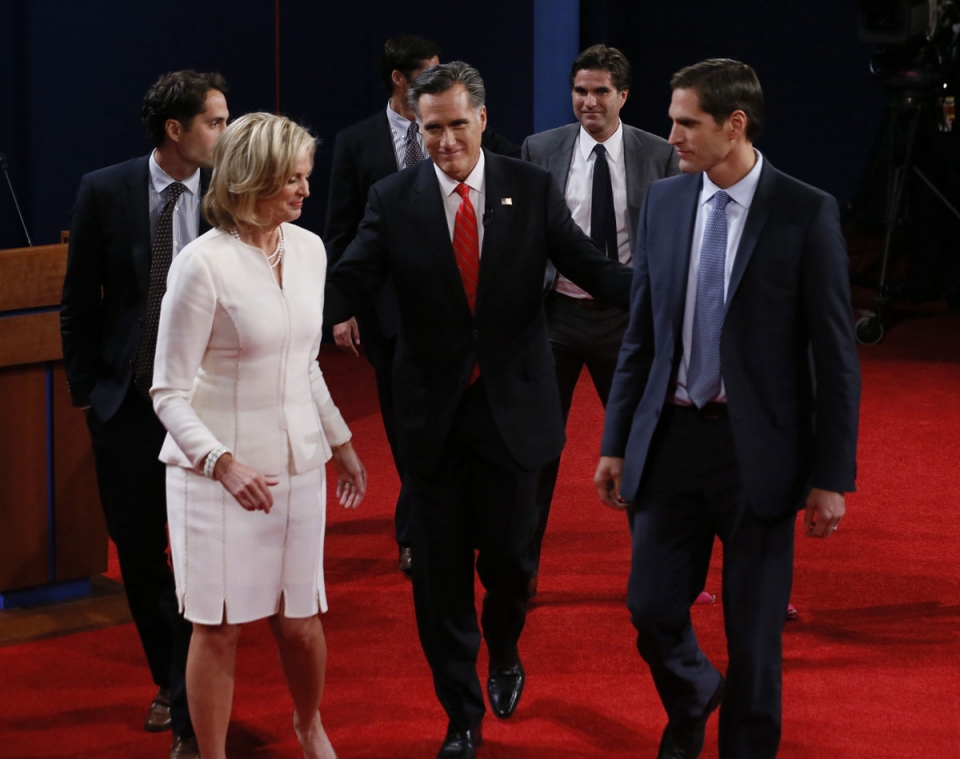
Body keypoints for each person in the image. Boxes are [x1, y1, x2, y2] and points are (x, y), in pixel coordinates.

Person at [325, 61, 631, 759]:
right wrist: (299, 306)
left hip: (514, 412)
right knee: (437, 574)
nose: (446, 140)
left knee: (510, 562)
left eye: (458, 124)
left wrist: (673, 291)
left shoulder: (531, 187)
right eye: (432, 127)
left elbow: (594, 269)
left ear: (483, 120)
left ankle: (506, 646)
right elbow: (350, 275)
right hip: (431, 418)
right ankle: (461, 711)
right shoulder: (392, 197)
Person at [593, 59, 860, 759]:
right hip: (671, 439)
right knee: (650, 607)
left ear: (734, 125)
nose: (672, 135)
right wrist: (615, 439)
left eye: (687, 122)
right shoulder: (666, 202)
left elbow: (835, 356)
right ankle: (692, 692)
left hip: (759, 455)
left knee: (754, 633)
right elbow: (642, 336)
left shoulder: (805, 210)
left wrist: (832, 474)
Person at [150, 112, 367, 759]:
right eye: (290, 180)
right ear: (249, 180)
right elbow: (167, 391)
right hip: (215, 481)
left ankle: (310, 725)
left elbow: (303, 363)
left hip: (298, 470)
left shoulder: (309, 250)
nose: (305, 191)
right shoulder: (202, 265)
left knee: (301, 622)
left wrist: (342, 443)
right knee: (217, 630)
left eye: (306, 176)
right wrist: (222, 462)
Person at [60, 69, 229, 759]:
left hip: (206, 402)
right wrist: (89, 395)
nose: (225, 131)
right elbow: (80, 301)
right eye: (215, 121)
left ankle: (189, 709)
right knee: (139, 551)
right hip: (126, 402)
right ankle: (170, 674)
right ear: (176, 129)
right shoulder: (106, 189)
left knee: (196, 558)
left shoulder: (227, 189)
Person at [325, 34, 519, 578]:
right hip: (387, 316)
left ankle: (462, 525)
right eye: (429, 74)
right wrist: (339, 309)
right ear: (400, 79)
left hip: (464, 312)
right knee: (406, 428)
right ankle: (416, 534)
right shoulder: (357, 142)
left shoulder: (473, 140)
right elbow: (340, 235)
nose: (445, 135)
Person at [521, 44, 679, 596]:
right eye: (580, 91)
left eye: (600, 92)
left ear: (624, 96)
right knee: (537, 449)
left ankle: (657, 571)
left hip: (628, 322)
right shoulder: (539, 149)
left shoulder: (660, 154)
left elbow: (670, 239)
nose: (588, 102)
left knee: (643, 446)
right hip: (556, 318)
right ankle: (523, 573)